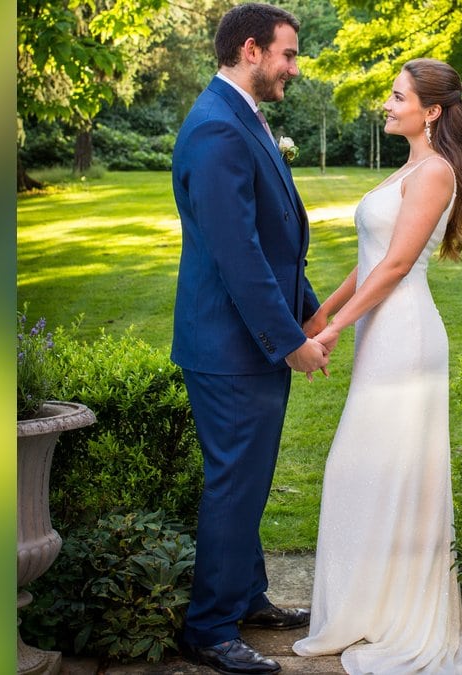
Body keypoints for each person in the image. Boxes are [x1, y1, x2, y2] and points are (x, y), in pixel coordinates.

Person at [291, 58, 462, 674]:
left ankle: (397, 616)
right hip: (382, 333)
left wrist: (334, 330)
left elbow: (395, 269)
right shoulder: (413, 167)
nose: (387, 106)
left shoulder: (437, 172)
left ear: (432, 110)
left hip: (406, 338)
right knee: (365, 470)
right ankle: (369, 609)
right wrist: (323, 313)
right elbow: (372, 261)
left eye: (398, 97)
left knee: (370, 470)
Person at [170, 4, 330, 674]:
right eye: (288, 55)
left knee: (249, 480)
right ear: (251, 49)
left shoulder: (239, 116)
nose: (294, 68)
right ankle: (209, 627)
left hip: (245, 344)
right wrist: (288, 338)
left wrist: (312, 308)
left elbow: (271, 237)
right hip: (231, 348)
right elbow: (237, 257)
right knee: (234, 484)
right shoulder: (216, 128)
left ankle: (247, 595)